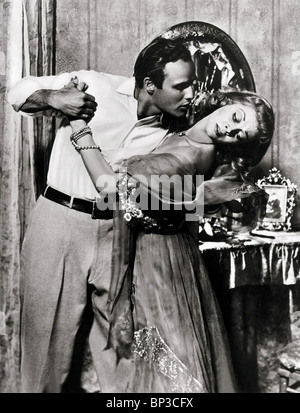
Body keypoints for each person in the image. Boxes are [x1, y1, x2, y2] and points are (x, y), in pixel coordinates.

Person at [7, 37, 198, 393]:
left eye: (193, 84)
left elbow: (178, 196)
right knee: (45, 353)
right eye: (182, 86)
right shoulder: (94, 84)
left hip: (122, 234)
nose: (191, 95)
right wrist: (53, 98)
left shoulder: (179, 133)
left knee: (126, 348)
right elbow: (18, 92)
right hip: (60, 222)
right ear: (150, 86)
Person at [66, 82, 275, 392]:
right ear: (227, 102)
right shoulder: (179, 130)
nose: (231, 130)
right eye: (236, 117)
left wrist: (79, 127)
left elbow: (110, 189)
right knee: (147, 365)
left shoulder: (199, 159)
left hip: (161, 263)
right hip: (153, 253)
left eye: (239, 135)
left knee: (170, 372)